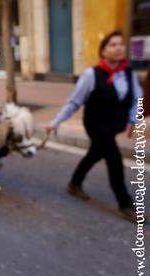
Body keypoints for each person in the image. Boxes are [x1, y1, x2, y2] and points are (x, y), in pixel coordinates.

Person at [46, 30, 142, 222]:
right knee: (114, 160)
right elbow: (74, 102)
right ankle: (125, 204)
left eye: (120, 44)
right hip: (96, 125)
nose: (118, 48)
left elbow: (138, 97)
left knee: (94, 154)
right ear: (103, 51)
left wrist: (133, 120)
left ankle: (74, 183)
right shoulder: (91, 75)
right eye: (112, 45)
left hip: (114, 125)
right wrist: (56, 122)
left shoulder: (128, 73)